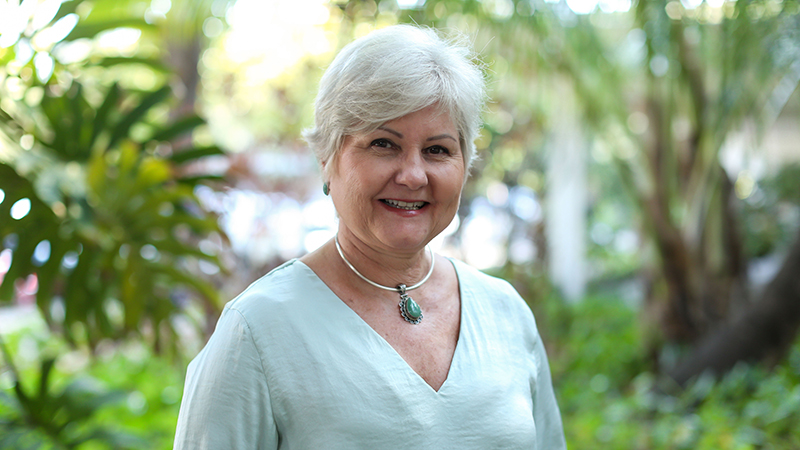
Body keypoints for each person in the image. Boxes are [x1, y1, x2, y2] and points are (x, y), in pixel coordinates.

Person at [174, 24, 566, 449]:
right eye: (384, 144)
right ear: (328, 157)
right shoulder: (258, 330)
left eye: (437, 150)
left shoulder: (505, 312)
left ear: (465, 164)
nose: (413, 175)